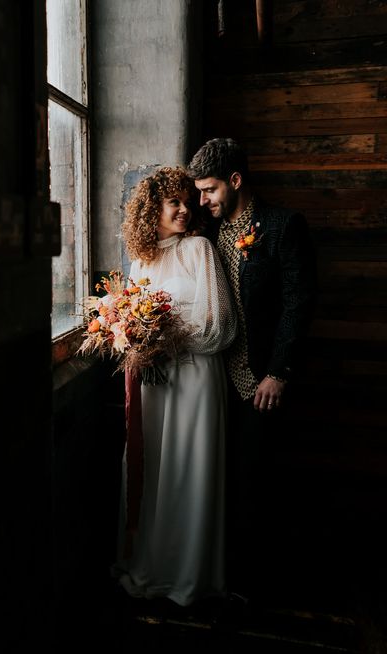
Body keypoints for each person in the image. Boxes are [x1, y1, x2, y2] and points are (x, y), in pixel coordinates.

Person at [186, 137, 317, 602]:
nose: (202, 201)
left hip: (259, 380)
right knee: (214, 481)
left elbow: (297, 305)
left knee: (253, 481)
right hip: (210, 383)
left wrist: (279, 372)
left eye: (209, 190)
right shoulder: (203, 233)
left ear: (235, 181)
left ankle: (254, 586)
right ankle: (218, 575)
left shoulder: (283, 227)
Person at [111, 166, 238, 608]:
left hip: (196, 377)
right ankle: (153, 562)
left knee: (189, 468)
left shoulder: (199, 250)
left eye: (189, 201)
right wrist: (134, 336)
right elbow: (128, 321)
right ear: (153, 209)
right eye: (175, 203)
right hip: (154, 380)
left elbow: (221, 327)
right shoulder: (141, 260)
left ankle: (187, 573)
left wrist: (164, 337)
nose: (186, 210)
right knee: (156, 469)